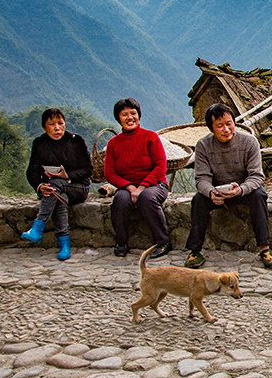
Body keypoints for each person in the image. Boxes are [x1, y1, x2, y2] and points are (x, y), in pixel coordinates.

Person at [185, 103, 272, 269]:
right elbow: (202, 178)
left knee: (260, 195)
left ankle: (264, 248)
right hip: (218, 192)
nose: (226, 129)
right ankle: (194, 250)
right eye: (220, 126)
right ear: (211, 129)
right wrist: (211, 192)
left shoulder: (249, 142)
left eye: (229, 123)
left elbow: (256, 176)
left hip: (243, 189)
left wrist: (240, 190)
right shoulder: (203, 146)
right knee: (198, 200)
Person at [21, 108, 93, 261]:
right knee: (59, 195)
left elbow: (88, 170)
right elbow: (32, 171)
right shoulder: (40, 144)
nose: (57, 128)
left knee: (55, 185)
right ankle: (64, 244)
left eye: (60, 123)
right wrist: (40, 186)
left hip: (78, 188)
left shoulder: (76, 141)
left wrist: (68, 176)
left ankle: (38, 227)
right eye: (51, 124)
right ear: (44, 127)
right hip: (54, 190)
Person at [104, 98, 170, 259]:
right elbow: (110, 173)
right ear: (118, 118)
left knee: (147, 197)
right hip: (128, 187)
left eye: (133, 113)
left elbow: (161, 167)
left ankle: (163, 241)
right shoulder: (113, 144)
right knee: (120, 200)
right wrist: (129, 187)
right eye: (124, 114)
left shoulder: (150, 137)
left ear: (139, 115)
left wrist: (142, 187)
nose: (129, 117)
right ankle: (121, 242)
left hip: (155, 184)